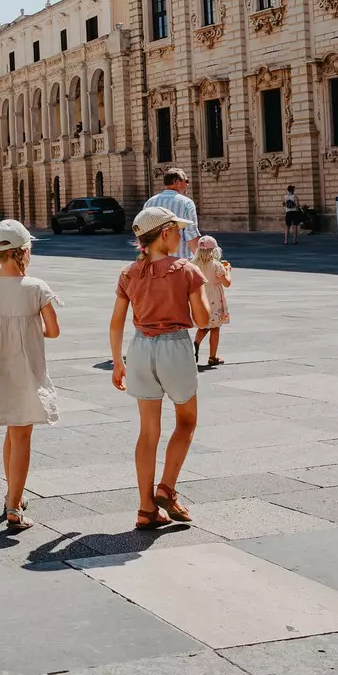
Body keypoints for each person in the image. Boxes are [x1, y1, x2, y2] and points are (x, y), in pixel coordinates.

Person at [109, 206, 211, 530]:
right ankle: (166, 488)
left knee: (147, 431)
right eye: (178, 230)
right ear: (165, 233)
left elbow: (116, 323)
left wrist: (116, 363)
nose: (181, 235)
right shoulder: (187, 270)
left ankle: (145, 508)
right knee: (187, 420)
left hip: (138, 349)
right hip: (175, 346)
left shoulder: (128, 273)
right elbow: (204, 319)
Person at [0, 219, 62, 532]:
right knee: (22, 436)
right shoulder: (36, 288)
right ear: (25, 252)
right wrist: (30, 328)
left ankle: (12, 495)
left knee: (11, 433)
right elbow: (54, 330)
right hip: (27, 371)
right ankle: (14, 508)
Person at [141, 167, 200, 260]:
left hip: (155, 261)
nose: (187, 185)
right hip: (180, 262)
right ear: (176, 182)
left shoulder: (149, 202)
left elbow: (144, 234)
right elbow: (191, 234)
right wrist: (201, 260)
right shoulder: (186, 203)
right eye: (186, 181)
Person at [191, 235, 233, 368]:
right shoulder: (216, 265)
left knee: (203, 325)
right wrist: (228, 271)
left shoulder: (193, 264)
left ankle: (196, 344)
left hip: (201, 297)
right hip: (215, 299)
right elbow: (227, 283)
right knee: (215, 327)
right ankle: (212, 357)